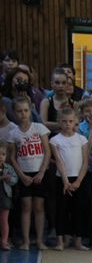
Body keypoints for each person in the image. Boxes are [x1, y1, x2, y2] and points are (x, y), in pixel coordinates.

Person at [8, 96, 50, 249]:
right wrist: (21, 175)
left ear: (30, 110)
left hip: (40, 173)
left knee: (39, 207)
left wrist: (42, 172)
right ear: (14, 112)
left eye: (26, 110)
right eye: (19, 111)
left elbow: (47, 152)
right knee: (26, 206)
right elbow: (12, 157)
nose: (23, 114)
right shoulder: (13, 133)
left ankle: (39, 240)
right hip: (24, 174)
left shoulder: (39, 128)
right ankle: (26, 240)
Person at [49, 106, 89, 250]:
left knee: (78, 209)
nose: (67, 124)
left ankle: (78, 240)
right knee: (61, 210)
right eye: (64, 121)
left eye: (71, 121)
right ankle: (61, 240)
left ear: (76, 122)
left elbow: (85, 162)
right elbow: (59, 161)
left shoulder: (82, 139)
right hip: (62, 179)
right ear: (59, 122)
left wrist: (78, 181)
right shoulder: (55, 140)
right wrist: (66, 181)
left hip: (79, 178)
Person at [0, 144, 16, 250]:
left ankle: (4, 241)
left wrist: (9, 179)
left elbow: (15, 180)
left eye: (3, 154)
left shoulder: (8, 167)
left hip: (4, 196)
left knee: (4, 219)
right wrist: (2, 177)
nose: (1, 156)